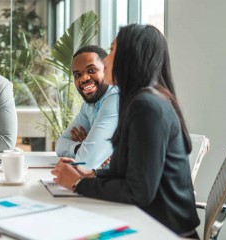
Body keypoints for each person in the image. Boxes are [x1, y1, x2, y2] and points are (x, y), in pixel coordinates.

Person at [52, 24, 200, 238]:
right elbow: (135, 171)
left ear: (129, 57)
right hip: (149, 222)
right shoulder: (140, 100)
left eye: (111, 50)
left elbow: (139, 192)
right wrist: (92, 173)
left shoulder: (146, 106)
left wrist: (78, 183)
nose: (107, 58)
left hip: (165, 232)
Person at [55, 45, 118, 169]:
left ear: (106, 69)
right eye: (77, 75)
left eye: (91, 70)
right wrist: (80, 147)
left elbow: (86, 161)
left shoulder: (115, 98)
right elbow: (60, 145)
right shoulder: (89, 105)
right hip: (104, 179)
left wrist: (89, 151)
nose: (83, 78)